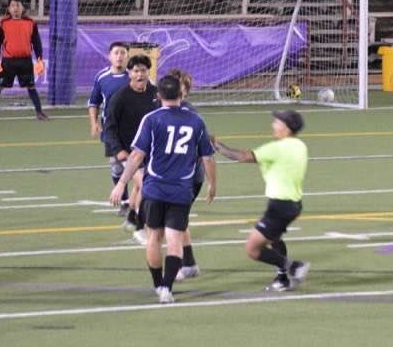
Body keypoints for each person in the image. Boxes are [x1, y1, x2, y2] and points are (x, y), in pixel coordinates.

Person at [110, 75, 217, 304]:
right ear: (181, 94)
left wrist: (121, 183)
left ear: (158, 96)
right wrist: (212, 184)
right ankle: (168, 289)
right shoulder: (195, 120)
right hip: (181, 189)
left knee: (153, 239)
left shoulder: (151, 119)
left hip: (154, 188)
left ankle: (158, 284)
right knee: (174, 240)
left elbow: (137, 155)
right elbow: (207, 157)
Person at [211, 110, 310, 292]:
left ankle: (295, 267)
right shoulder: (300, 145)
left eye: (277, 122)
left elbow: (242, 156)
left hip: (279, 206)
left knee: (253, 249)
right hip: (294, 204)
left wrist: (218, 146)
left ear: (286, 128)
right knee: (275, 239)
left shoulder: (277, 148)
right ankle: (283, 279)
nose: (273, 125)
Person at [103, 54, 159, 244]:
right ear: (129, 73)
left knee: (138, 186)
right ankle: (140, 226)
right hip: (128, 152)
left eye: (143, 70)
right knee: (145, 184)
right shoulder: (120, 97)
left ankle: (132, 218)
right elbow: (109, 127)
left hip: (150, 151)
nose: (140, 74)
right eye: (136, 71)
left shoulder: (155, 93)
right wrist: (118, 151)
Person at [0, 0, 49, 122]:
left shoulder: (30, 23)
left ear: (22, 7)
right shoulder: (3, 23)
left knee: (31, 87)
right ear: (9, 8)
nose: (15, 8)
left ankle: (39, 113)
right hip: (8, 62)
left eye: (18, 5)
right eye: (13, 5)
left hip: (25, 61)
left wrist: (39, 58)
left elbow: (36, 42)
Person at [168, 68, 203, 282]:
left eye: (180, 87)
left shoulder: (190, 114)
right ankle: (189, 263)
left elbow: (200, 150)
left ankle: (182, 264)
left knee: (173, 221)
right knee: (178, 220)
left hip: (187, 176)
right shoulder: (165, 110)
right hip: (176, 176)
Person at [87, 42, 131, 216]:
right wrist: (94, 122)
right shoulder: (102, 77)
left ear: (127, 55)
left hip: (132, 128)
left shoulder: (133, 76)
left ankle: (143, 200)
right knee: (116, 166)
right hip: (111, 130)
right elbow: (93, 102)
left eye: (122, 53)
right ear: (109, 56)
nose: (119, 56)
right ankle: (125, 202)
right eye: (116, 53)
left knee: (136, 164)